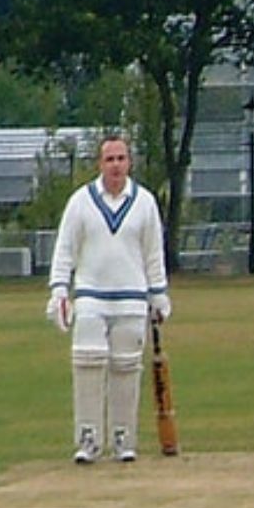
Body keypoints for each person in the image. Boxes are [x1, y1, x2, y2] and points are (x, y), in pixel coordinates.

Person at [45, 135, 171, 464]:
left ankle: (123, 437)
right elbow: (65, 250)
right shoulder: (81, 202)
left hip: (131, 297)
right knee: (87, 361)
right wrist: (59, 289)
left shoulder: (144, 202)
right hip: (90, 296)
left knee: (126, 367)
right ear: (100, 164)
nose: (116, 165)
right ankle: (88, 438)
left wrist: (158, 295)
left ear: (129, 162)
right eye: (109, 159)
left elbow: (153, 252)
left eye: (121, 158)